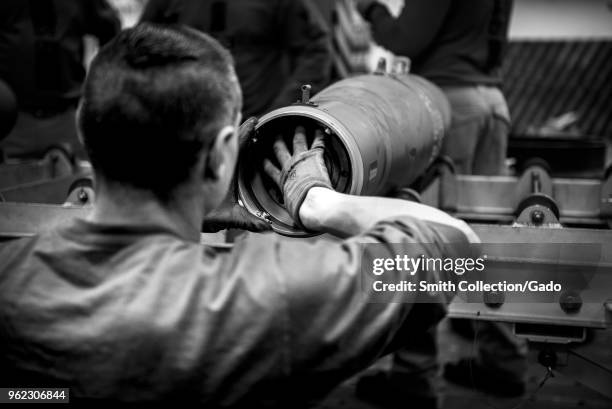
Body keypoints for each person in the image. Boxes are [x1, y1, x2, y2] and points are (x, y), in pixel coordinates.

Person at [0, 24, 479, 406]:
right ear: (224, 152)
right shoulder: (260, 299)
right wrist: (317, 202)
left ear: (85, 134)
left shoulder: (12, 277)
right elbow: (455, 246)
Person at [354, 1, 525, 407]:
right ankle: (504, 361)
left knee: (422, 235)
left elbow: (404, 39)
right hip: (490, 101)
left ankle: (414, 376)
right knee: (486, 239)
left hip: (448, 107)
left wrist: (371, 9)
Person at [357, 0, 513, 176]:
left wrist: (372, 10)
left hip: (451, 102)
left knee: (444, 198)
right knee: (491, 199)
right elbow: (498, 42)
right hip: (494, 101)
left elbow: (404, 39)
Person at [140, 0, 332, 119]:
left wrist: (280, 111)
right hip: (189, 126)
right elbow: (140, 47)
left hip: (257, 125)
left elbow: (315, 50)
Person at [0, 0, 121, 159]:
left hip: (67, 121)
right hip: (10, 126)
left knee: (75, 182)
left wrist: (102, 90)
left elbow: (109, 29)